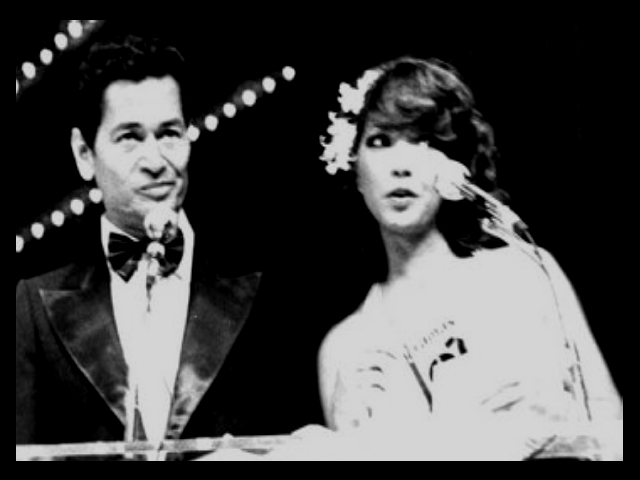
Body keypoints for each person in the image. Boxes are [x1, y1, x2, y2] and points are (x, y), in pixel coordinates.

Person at [15, 32, 325, 461]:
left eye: (169, 134)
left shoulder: (265, 287)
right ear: (84, 154)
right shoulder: (31, 307)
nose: (156, 160)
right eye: (129, 137)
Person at [313, 56, 623, 460]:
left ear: (451, 163)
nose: (401, 166)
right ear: (354, 167)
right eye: (380, 141)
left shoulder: (523, 272)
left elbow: (610, 422)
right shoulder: (346, 348)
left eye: (422, 140)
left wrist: (556, 420)